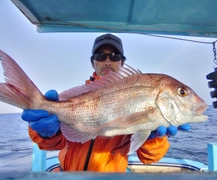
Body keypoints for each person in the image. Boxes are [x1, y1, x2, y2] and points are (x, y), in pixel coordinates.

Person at [21, 34, 190, 172]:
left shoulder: (141, 94)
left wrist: (153, 138)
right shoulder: (78, 97)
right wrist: (45, 133)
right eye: (101, 56)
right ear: (93, 62)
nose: (107, 61)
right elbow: (52, 145)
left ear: (123, 62)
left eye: (114, 56)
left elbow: (149, 158)